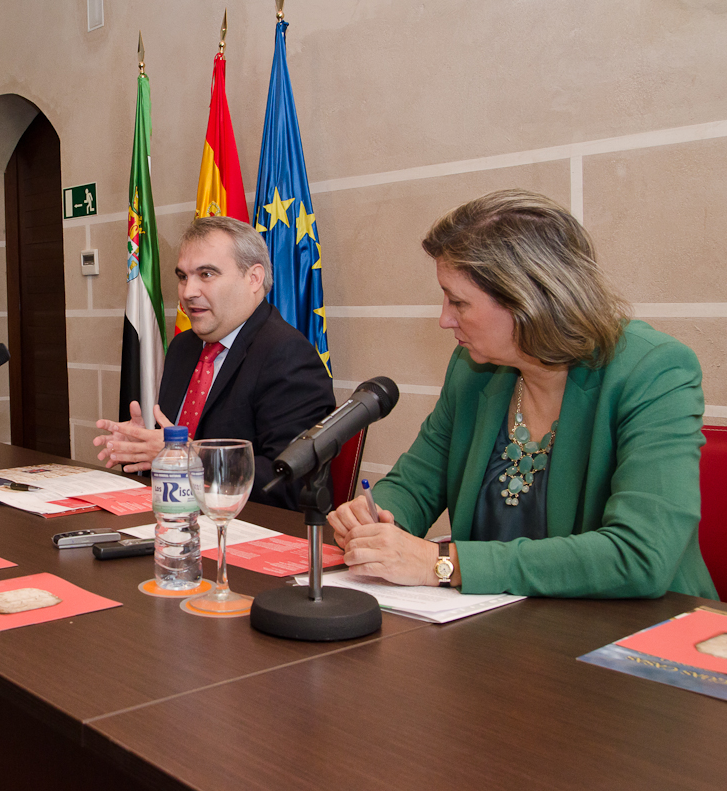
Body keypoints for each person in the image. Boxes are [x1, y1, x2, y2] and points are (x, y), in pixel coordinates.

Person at [328, 190, 717, 599]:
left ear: (530, 300)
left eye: (459, 302)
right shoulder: (473, 369)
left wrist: (442, 564)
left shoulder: (653, 370)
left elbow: (641, 555)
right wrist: (373, 519)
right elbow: (415, 485)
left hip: (636, 636)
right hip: (501, 628)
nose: (445, 319)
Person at [94, 216, 336, 510]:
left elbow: (289, 481)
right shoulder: (184, 348)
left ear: (254, 278)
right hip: (176, 519)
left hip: (245, 533)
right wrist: (143, 450)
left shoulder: (288, 355)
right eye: (183, 276)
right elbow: (172, 451)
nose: (187, 292)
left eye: (206, 275)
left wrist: (187, 458)